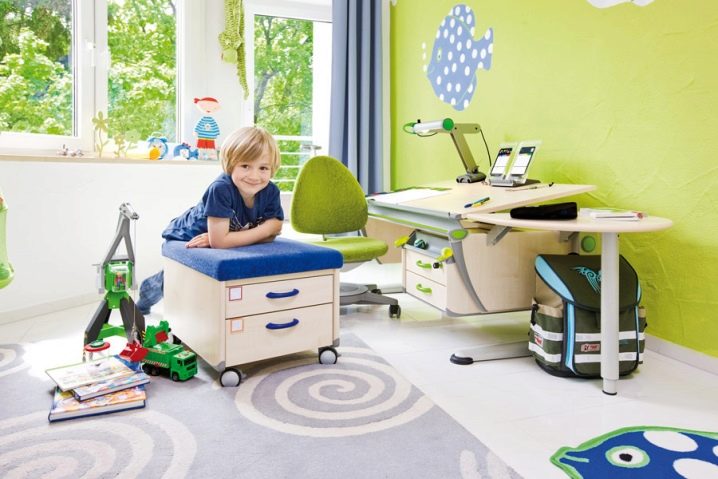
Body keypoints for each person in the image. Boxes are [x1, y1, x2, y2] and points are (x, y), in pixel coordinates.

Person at [136, 126, 284, 314]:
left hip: (222, 232)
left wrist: (227, 237)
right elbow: (230, 240)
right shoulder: (221, 189)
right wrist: (264, 229)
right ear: (230, 165)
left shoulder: (271, 192)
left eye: (263, 168)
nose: (254, 176)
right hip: (187, 234)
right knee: (173, 278)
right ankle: (145, 295)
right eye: (245, 166)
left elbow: (272, 234)